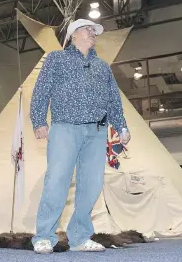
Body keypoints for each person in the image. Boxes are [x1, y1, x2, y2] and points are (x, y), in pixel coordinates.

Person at [29, 18, 131, 254]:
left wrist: (121, 126)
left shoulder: (103, 67)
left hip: (96, 132)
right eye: (88, 29)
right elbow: (41, 90)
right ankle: (44, 236)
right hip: (65, 127)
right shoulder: (56, 59)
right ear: (74, 34)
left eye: (95, 31)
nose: (93, 33)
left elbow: (113, 99)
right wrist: (38, 121)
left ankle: (79, 237)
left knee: (91, 185)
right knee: (56, 181)